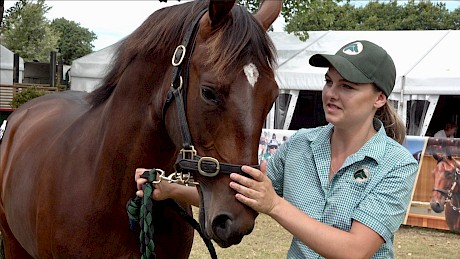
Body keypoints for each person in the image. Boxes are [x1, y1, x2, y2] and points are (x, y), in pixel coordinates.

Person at [135, 40, 419, 258]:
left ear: (379, 98)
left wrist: (275, 204)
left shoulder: (397, 164)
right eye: (329, 81)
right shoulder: (300, 145)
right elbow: (246, 195)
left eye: (347, 87)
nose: (331, 93)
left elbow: (355, 250)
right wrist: (169, 190)